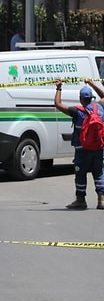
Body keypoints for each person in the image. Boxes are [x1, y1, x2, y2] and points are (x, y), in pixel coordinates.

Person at [54, 79, 104, 209]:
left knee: (80, 173)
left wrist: (59, 88)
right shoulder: (100, 107)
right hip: (98, 146)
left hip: (82, 148)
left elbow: (58, 104)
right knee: (99, 172)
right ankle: (102, 199)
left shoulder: (77, 111)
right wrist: (93, 84)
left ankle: (81, 200)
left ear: (81, 98)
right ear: (91, 97)